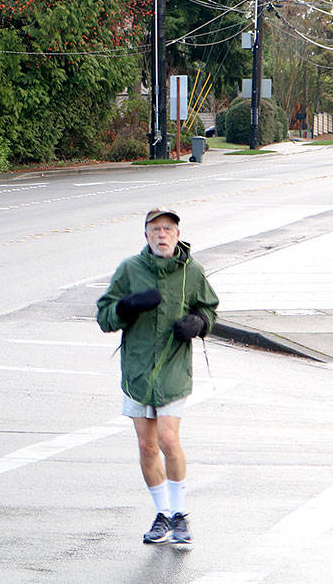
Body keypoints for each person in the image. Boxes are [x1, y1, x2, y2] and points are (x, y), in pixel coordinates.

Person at [96, 206, 220, 545]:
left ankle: (181, 514)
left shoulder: (191, 271)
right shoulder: (129, 269)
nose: (162, 235)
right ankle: (163, 514)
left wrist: (199, 324)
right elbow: (105, 316)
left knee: (168, 439)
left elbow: (208, 308)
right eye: (155, 230)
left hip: (173, 366)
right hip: (137, 369)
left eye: (168, 229)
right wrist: (127, 306)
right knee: (147, 445)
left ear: (177, 234)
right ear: (146, 235)